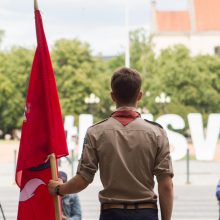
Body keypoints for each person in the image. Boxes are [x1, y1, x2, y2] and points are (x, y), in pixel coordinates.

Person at [48, 67, 174, 220]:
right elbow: (166, 185)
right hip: (145, 213)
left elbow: (83, 179)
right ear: (139, 95)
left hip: (112, 214)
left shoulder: (96, 132)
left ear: (113, 96)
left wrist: (60, 189)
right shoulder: (157, 133)